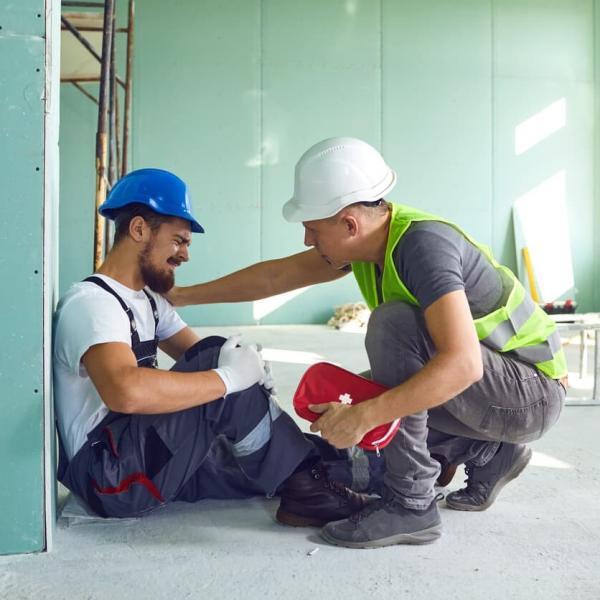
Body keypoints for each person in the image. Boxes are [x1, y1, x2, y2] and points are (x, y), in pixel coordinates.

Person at [167, 137, 568, 549]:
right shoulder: (367, 244)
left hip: (529, 393)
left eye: (312, 228)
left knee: (391, 330)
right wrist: (180, 296)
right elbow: (275, 277)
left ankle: (412, 506)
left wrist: (367, 416)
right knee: (358, 402)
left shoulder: (423, 248)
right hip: (498, 390)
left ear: (349, 223)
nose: (307, 240)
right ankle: (488, 451)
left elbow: (463, 364)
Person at [53, 167, 372, 525]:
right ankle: (307, 496)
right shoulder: (93, 303)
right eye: (179, 240)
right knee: (219, 365)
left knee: (259, 455)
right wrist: (230, 380)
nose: (185, 255)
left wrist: (247, 373)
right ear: (139, 229)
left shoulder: (148, 301)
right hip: (109, 475)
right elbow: (125, 392)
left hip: (145, 450)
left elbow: (209, 354)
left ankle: (371, 470)